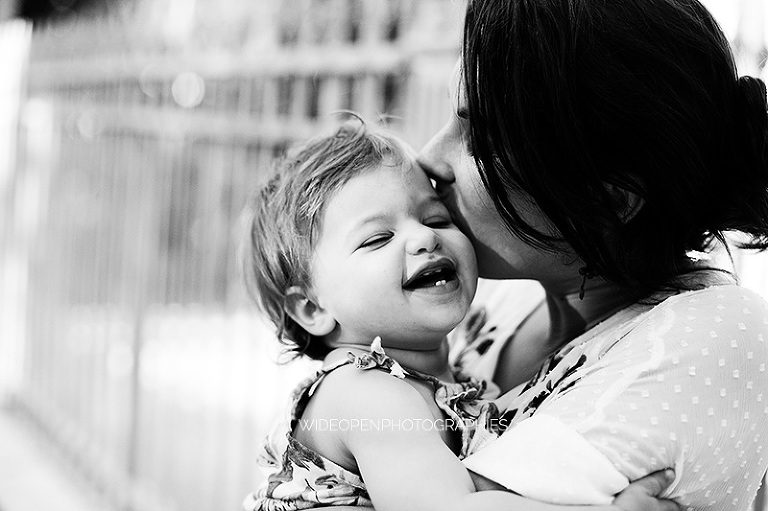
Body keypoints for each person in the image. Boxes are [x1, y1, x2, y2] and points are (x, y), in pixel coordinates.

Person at [416, 0, 768, 508]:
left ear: (609, 200)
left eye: (481, 138)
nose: (429, 157)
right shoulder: (501, 300)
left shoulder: (716, 334)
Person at [240, 118, 678, 511]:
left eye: (436, 219)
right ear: (313, 308)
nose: (423, 239)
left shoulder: (446, 377)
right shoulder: (365, 394)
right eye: (377, 239)